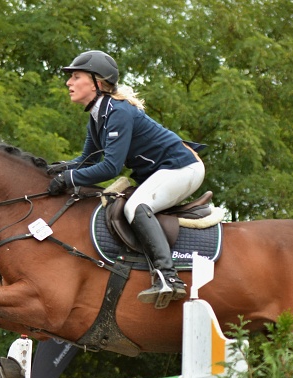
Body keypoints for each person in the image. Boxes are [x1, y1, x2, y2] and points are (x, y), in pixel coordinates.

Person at [46, 50, 206, 309]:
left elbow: (110, 167)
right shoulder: (98, 116)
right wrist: (56, 169)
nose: (69, 82)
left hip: (181, 168)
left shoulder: (118, 112)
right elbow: (86, 160)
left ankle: (168, 277)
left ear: (97, 82)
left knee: (135, 207)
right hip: (163, 171)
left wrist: (69, 178)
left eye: (76, 77)